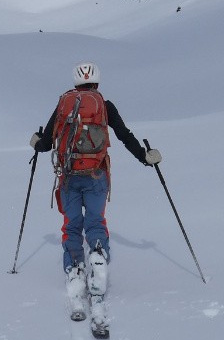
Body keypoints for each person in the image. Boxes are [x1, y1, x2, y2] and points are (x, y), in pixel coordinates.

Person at [31, 62, 161, 325]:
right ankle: (98, 255)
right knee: (95, 222)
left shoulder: (63, 105)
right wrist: (145, 157)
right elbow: (124, 135)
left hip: (68, 176)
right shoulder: (105, 105)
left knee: (71, 226)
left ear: (75, 83)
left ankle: (75, 270)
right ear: (97, 83)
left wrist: (36, 140)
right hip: (97, 175)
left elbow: (45, 145)